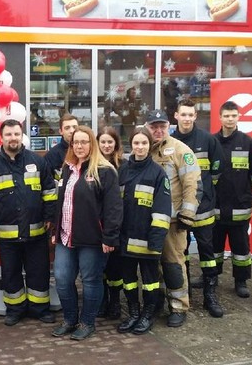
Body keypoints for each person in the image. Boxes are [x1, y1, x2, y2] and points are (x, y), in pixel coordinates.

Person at [0, 120, 57, 326]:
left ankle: (40, 308)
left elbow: (49, 192)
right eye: (8, 134)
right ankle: (15, 309)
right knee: (10, 273)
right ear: (1, 138)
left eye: (16, 134)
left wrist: (49, 217)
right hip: (6, 235)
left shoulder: (37, 162)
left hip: (36, 231)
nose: (13, 138)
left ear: (22, 136)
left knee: (38, 271)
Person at [51, 126, 122, 341]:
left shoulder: (105, 171)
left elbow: (114, 207)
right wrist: (56, 230)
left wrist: (110, 236)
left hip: (93, 239)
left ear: (92, 144)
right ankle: (70, 320)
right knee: (62, 278)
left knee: (91, 280)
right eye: (76, 142)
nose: (79, 146)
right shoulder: (67, 168)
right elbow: (61, 203)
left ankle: (87, 323)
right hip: (66, 236)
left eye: (84, 142)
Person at [146, 109, 201, 327]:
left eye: (162, 126)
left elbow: (192, 183)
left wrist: (186, 215)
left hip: (172, 222)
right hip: (149, 222)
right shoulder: (142, 149)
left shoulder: (180, 150)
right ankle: (157, 301)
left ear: (169, 125)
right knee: (152, 265)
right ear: (147, 127)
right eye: (154, 127)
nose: (158, 130)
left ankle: (178, 306)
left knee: (173, 265)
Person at [172, 99, 225, 318]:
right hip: (178, 210)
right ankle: (184, 295)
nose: (186, 118)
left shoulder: (208, 140)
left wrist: (204, 193)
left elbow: (217, 170)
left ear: (195, 116)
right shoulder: (169, 141)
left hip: (203, 209)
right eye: (182, 114)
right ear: (176, 116)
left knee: (207, 252)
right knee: (179, 253)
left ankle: (210, 294)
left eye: (190, 115)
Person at [116, 128, 172, 334]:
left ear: (150, 146)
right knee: (128, 280)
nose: (140, 147)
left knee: (150, 282)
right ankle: (133, 313)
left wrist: (156, 241)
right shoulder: (122, 170)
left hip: (147, 240)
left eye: (144, 143)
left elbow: (162, 210)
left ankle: (148, 314)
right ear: (132, 145)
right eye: (136, 143)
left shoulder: (158, 173)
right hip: (124, 240)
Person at [213, 101, 252, 298]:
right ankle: (212, 277)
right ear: (220, 117)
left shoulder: (249, 143)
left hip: (239, 207)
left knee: (241, 249)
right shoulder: (212, 142)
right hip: (216, 208)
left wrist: (245, 192)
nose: (230, 119)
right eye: (226, 116)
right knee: (214, 247)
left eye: (233, 115)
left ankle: (241, 281)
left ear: (238, 117)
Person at [95, 127, 125, 320]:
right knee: (99, 267)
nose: (106, 145)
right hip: (97, 224)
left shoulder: (125, 166)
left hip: (118, 223)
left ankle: (115, 301)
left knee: (115, 267)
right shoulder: (92, 165)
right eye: (103, 142)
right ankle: (102, 300)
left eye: (110, 142)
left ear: (116, 144)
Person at [44, 113, 78, 180]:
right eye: (67, 128)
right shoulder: (52, 155)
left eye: (74, 127)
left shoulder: (86, 150)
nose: (72, 131)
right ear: (61, 131)